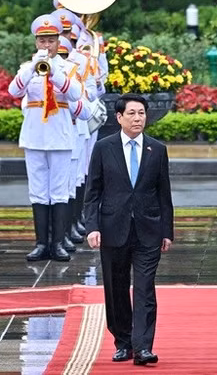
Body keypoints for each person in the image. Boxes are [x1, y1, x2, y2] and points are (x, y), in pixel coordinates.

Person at [84, 93, 174, 366]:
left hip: (148, 229)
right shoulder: (104, 147)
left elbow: (164, 194)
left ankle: (143, 347)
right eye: (132, 113)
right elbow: (93, 192)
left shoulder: (157, 149)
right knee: (116, 288)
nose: (137, 118)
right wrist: (92, 227)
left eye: (141, 113)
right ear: (119, 117)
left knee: (145, 288)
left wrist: (167, 231)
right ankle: (123, 342)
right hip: (113, 229)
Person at [8, 14, 82, 262]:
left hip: (60, 135)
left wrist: (54, 72)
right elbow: (13, 90)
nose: (46, 45)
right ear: (36, 42)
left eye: (51, 40)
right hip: (34, 136)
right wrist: (33, 68)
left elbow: (75, 94)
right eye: (42, 40)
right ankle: (41, 243)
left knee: (59, 191)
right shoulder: (27, 68)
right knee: (38, 191)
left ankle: (58, 243)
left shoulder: (68, 68)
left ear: (59, 42)